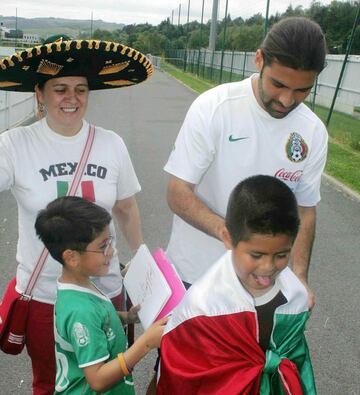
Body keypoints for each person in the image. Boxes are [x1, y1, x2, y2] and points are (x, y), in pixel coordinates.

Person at [0, 36, 153, 393]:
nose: (72, 99)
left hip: (105, 289)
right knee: (50, 383)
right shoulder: (14, 144)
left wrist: (141, 263)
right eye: (60, 89)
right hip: (45, 296)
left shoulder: (111, 143)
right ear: (39, 92)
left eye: (81, 89)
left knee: (108, 382)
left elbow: (126, 209)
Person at [164, 17, 328, 308]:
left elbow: (305, 209)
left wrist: (300, 276)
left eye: (302, 90)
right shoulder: (214, 108)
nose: (287, 100)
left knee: (256, 355)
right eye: (278, 84)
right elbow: (178, 192)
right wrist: (229, 232)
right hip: (195, 276)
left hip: (263, 287)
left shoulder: (313, 131)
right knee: (185, 354)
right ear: (259, 59)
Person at [158, 175, 316, 394]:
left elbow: (297, 365)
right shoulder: (202, 307)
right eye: (256, 254)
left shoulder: (295, 298)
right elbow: (181, 378)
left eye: (281, 254)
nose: (268, 267)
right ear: (228, 238)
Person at [34, 196, 168, 394]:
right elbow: (97, 379)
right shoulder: (81, 311)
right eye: (103, 246)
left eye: (110, 241)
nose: (112, 251)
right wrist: (146, 343)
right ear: (72, 257)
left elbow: (99, 317)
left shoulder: (79, 284)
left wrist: (125, 316)